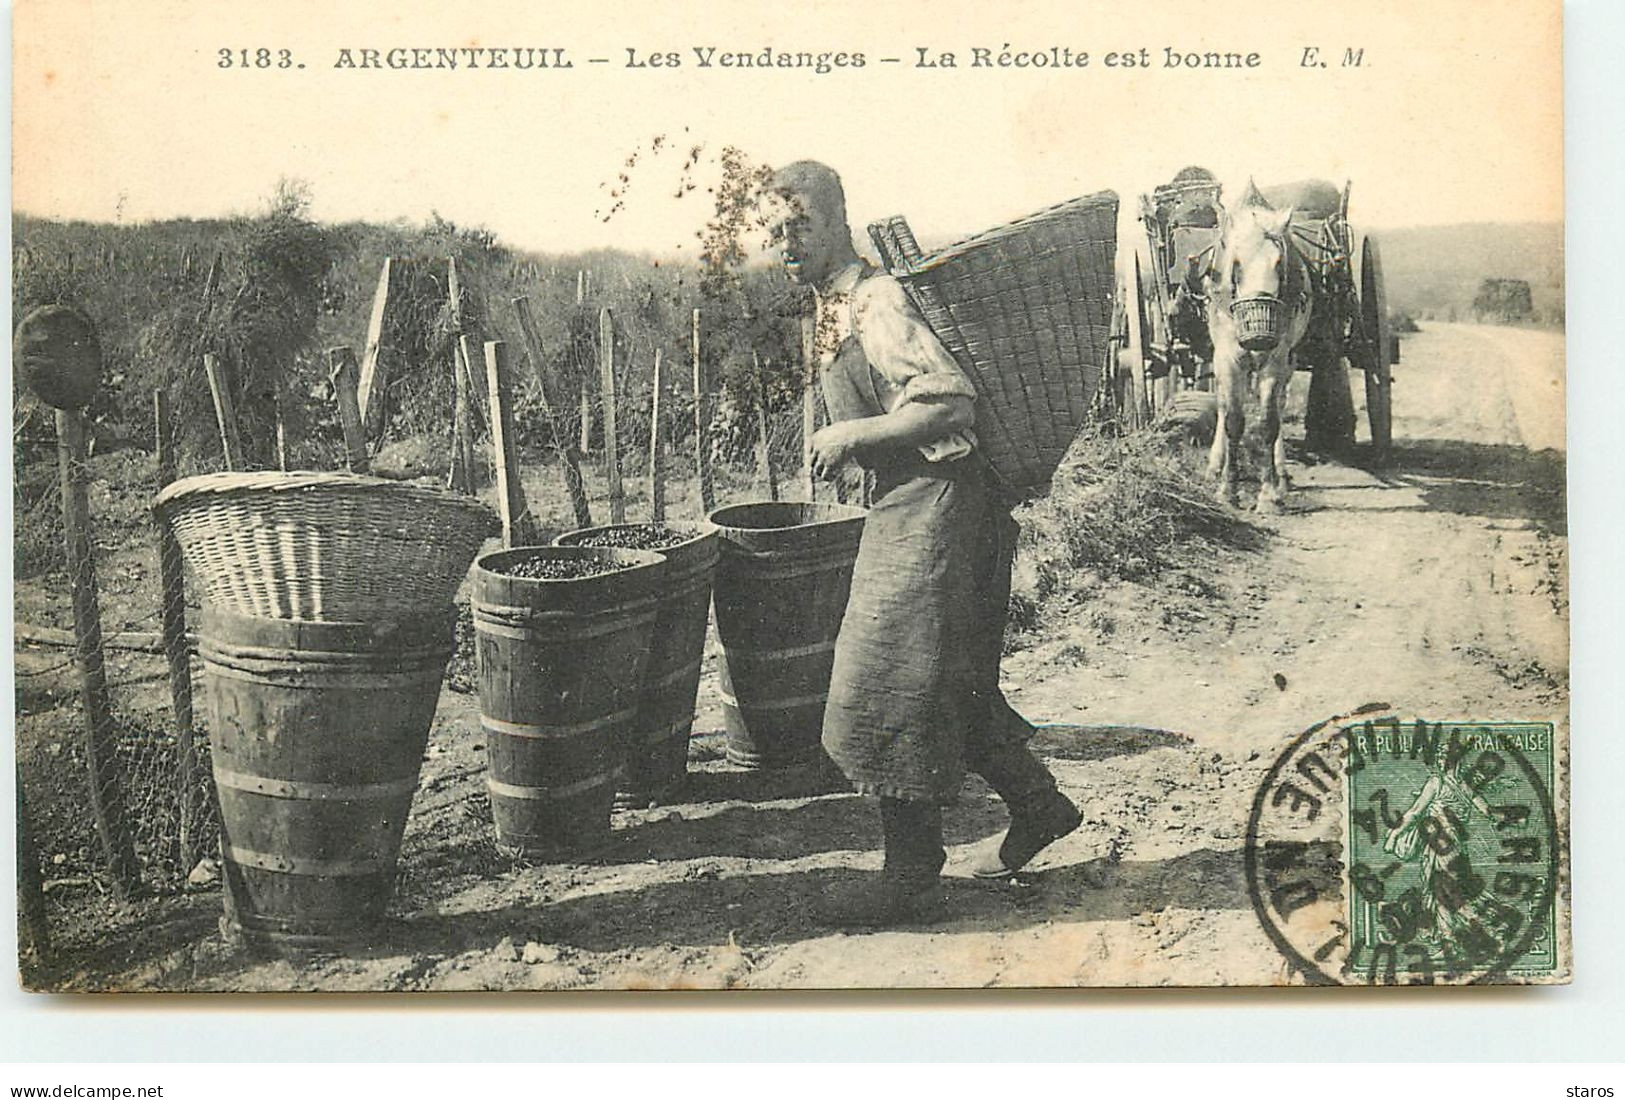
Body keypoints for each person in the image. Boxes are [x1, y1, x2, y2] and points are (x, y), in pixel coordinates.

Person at [766, 160, 1082, 926]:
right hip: (913, 507)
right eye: (775, 228)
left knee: (885, 685)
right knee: (948, 681)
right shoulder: (832, 307)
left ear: (839, 220)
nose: (785, 240)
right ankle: (1038, 805)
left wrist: (851, 435)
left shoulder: (876, 302)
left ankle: (910, 878)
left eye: (800, 222)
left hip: (941, 508)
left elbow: (947, 403)